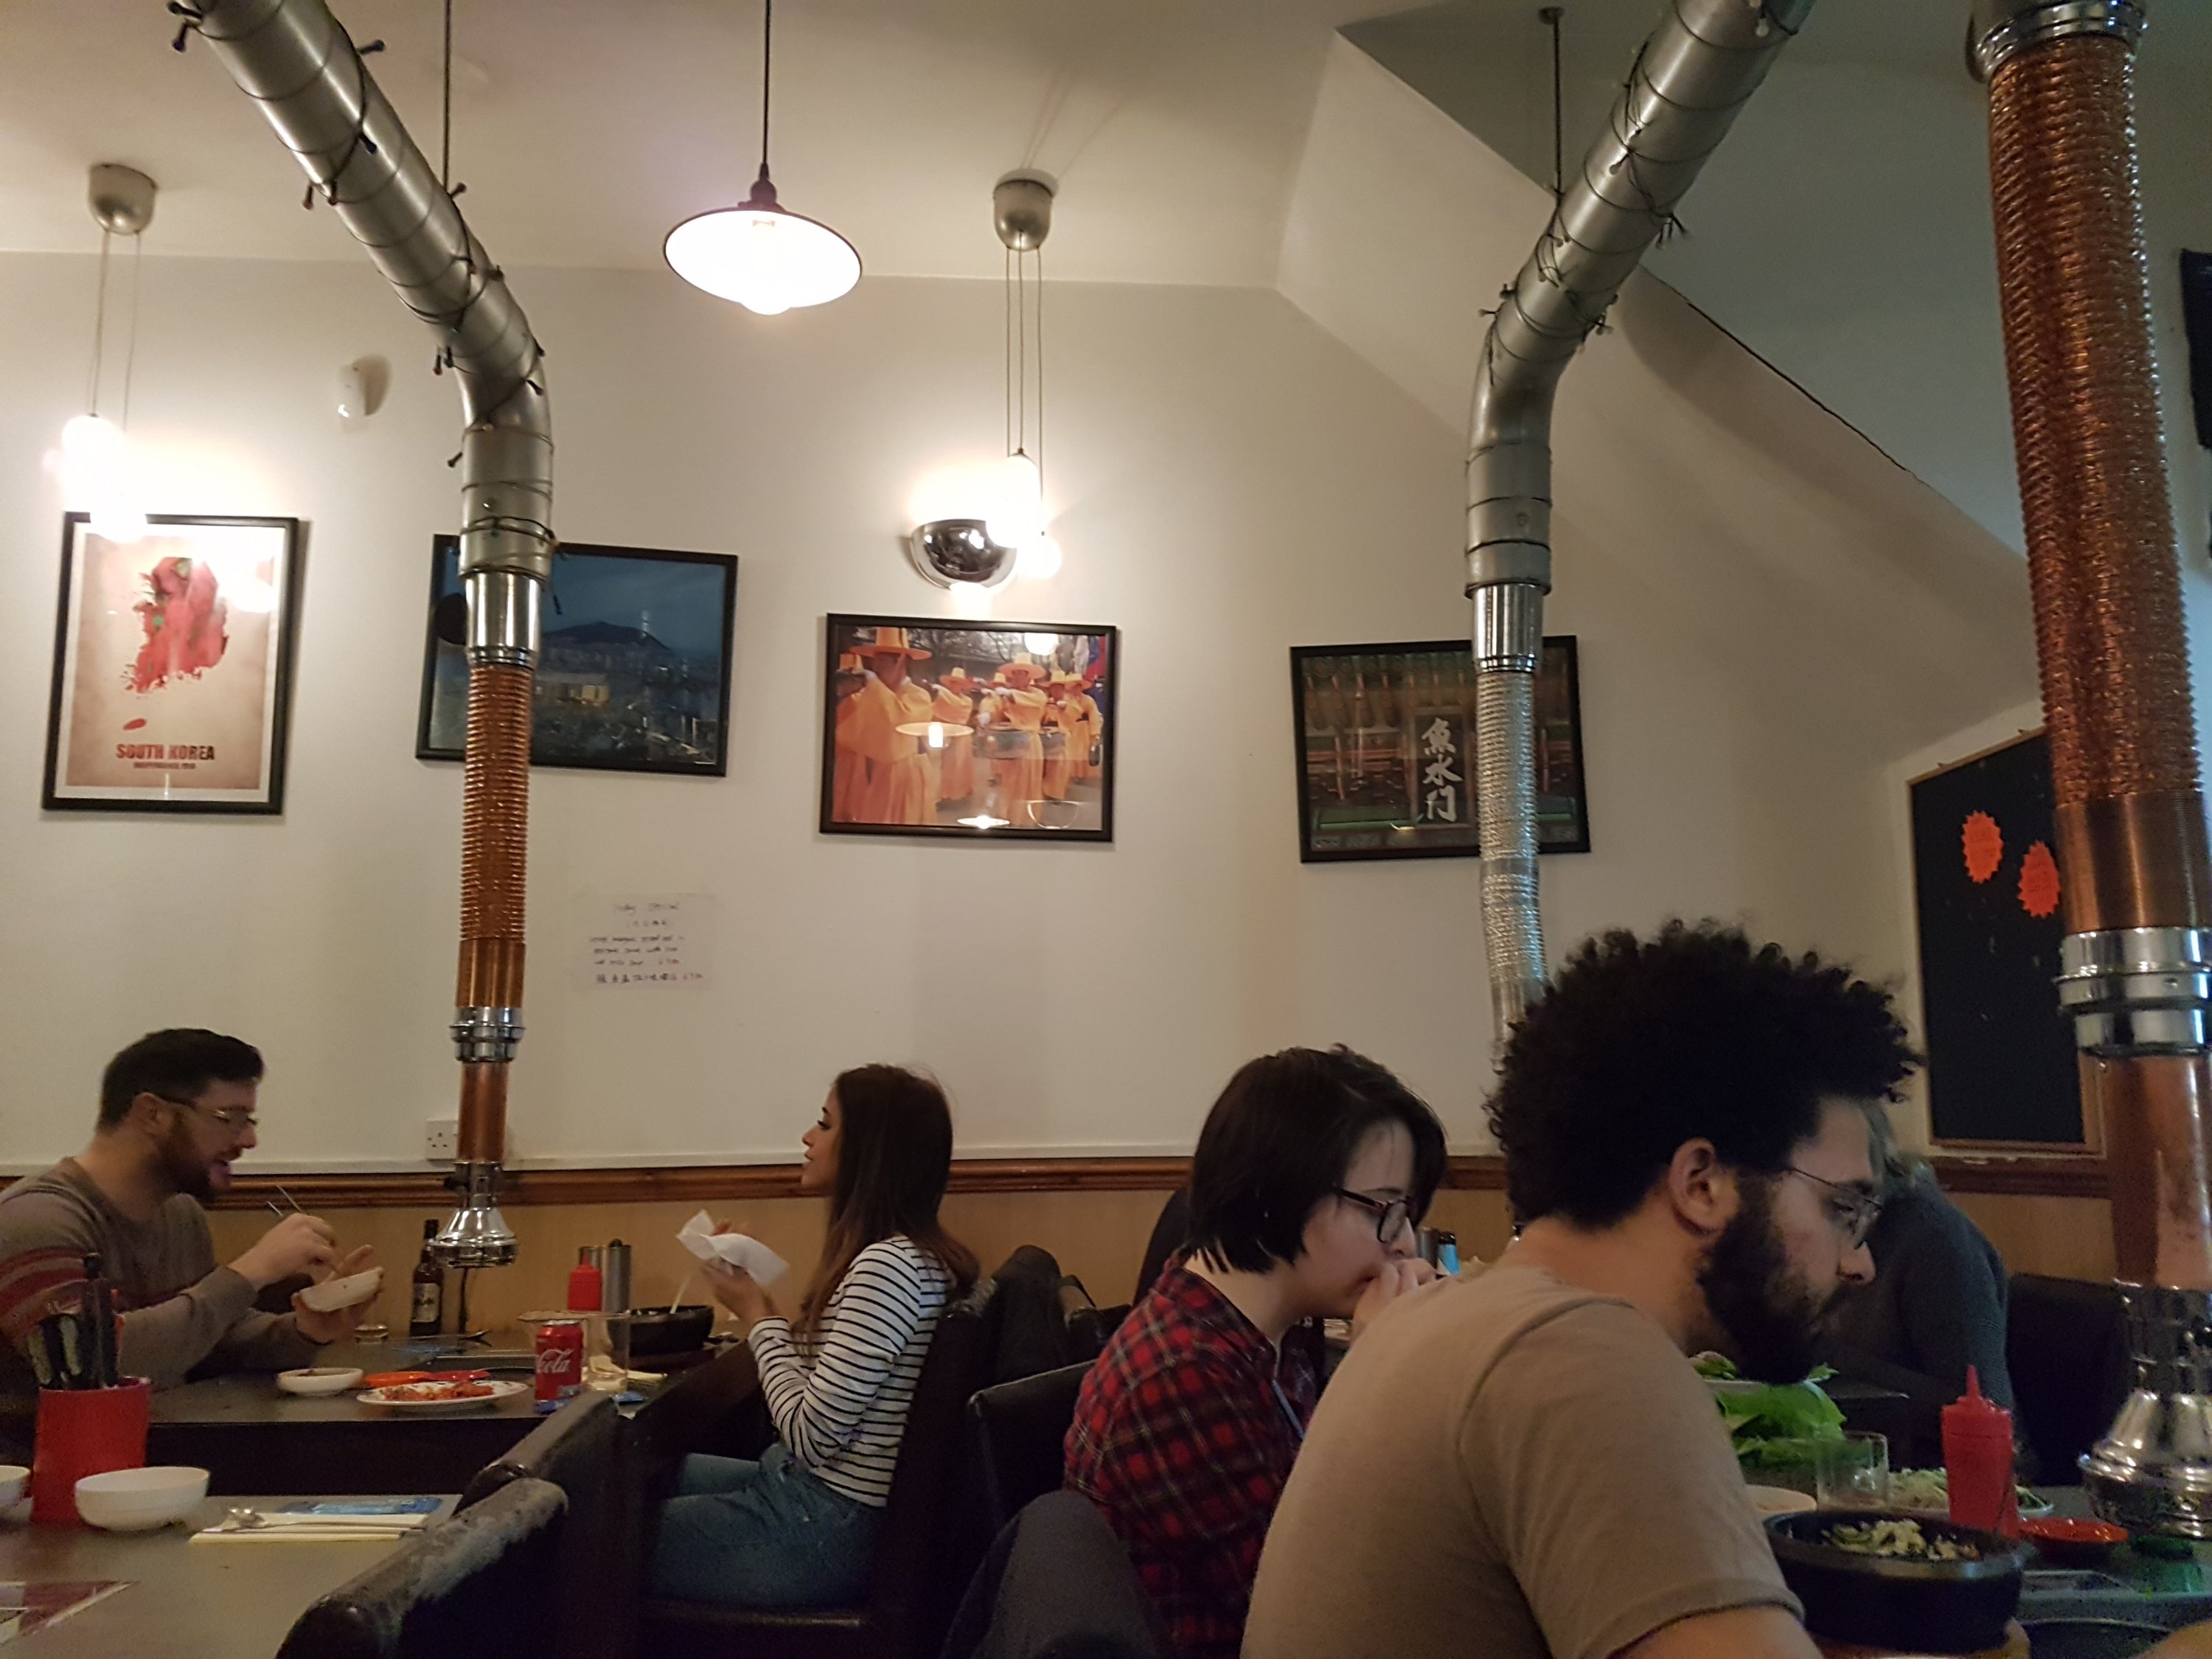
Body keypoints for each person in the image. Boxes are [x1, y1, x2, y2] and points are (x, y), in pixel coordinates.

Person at [1246, 923, 1916, 1659]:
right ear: (1703, 1184)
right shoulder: (1585, 1359)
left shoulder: (1444, 1318)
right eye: (1843, 1208)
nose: (1860, 1264)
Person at [1064, 1046, 1446, 1659]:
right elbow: (1324, 1618)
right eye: (1384, 1210)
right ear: (1275, 1196)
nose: (1403, 1244)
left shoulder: (1271, 1332)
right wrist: (1378, 1378)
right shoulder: (1183, 1377)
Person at [651, 1065, 980, 1607]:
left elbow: (811, 1435)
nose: (808, 1138)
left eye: (825, 1125)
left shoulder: (888, 1268)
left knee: (590, 1529)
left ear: (869, 1151)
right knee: (621, 1479)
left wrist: (756, 1315)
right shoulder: (916, 1258)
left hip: (820, 1528)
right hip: (808, 1498)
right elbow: (832, 1395)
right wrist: (759, 1302)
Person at [0, 1029, 377, 1461]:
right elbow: (91, 1366)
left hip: (158, 1454)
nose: (248, 1141)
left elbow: (210, 1338)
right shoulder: (37, 1218)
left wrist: (305, 1329)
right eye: (229, 1118)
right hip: (43, 1471)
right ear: (153, 1114)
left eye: (249, 1121)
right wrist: (250, 1272)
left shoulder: (179, 1213)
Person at [1818, 1102, 2024, 1472]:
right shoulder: (1818, 1230)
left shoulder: (1936, 1240)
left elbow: (1984, 1407)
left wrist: (1813, 1354)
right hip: (1852, 1466)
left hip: (1939, 1483)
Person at [843, 627, 935, 825]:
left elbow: (898, 721)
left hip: (903, 772)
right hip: (873, 770)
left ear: (899, 663)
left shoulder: (918, 696)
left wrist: (874, 683)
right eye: (874, 662)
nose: (876, 668)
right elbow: (849, 730)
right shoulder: (872, 694)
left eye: (882, 662)